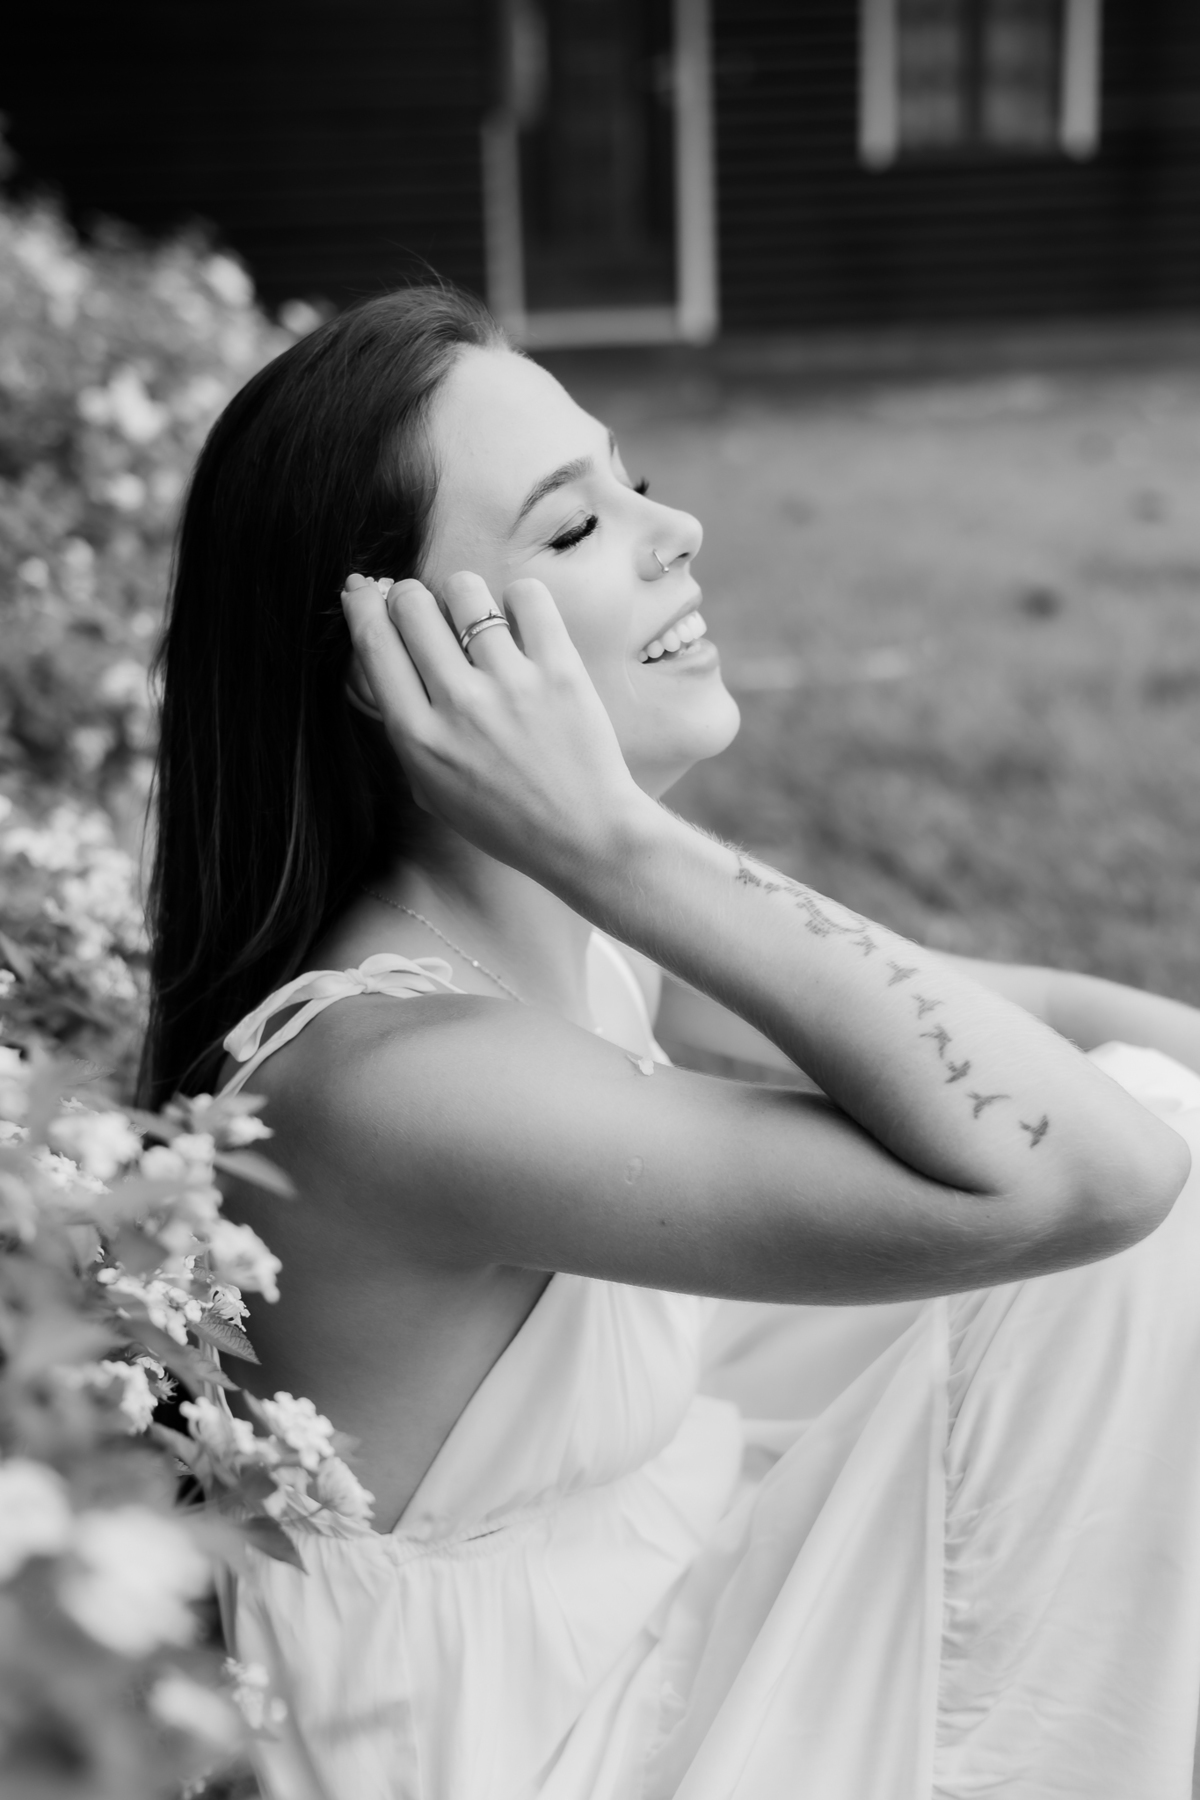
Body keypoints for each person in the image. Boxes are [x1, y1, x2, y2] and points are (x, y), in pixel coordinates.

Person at [143, 285, 1200, 1800]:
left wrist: (605, 866)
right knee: (1131, 1221)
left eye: (630, 482)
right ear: (397, 668)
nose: (678, 529)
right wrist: (614, 840)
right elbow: (1097, 1176)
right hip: (548, 1747)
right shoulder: (399, 1078)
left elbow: (1030, 1017)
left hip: (639, 1580)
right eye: (574, 526)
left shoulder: (533, 930)